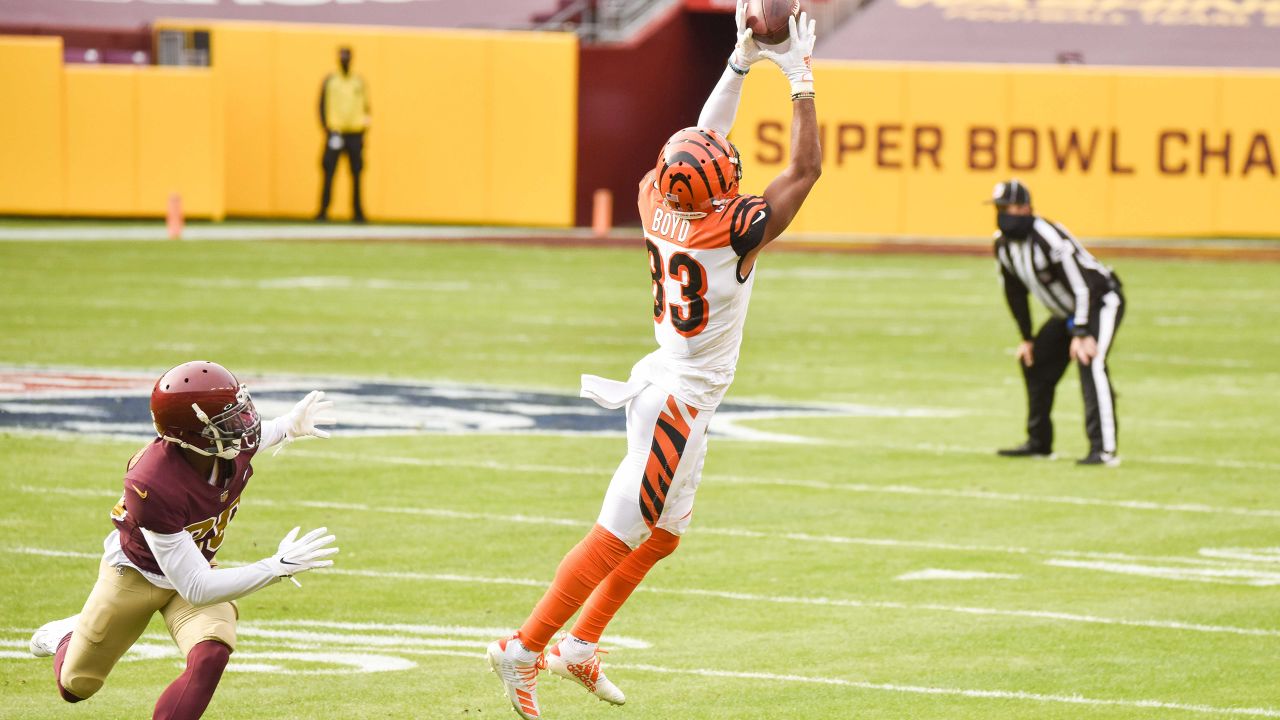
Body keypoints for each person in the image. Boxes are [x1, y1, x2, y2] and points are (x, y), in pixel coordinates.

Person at [486, 5, 822, 719]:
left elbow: (705, 138)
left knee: (664, 535)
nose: (733, 172)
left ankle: (579, 645)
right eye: (727, 173)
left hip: (671, 383)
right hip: (675, 399)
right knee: (618, 534)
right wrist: (795, 72)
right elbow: (807, 166)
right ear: (718, 191)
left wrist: (738, 62)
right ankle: (521, 649)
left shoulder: (655, 198)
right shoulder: (730, 231)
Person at [28, 361, 339, 719]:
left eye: (239, 412)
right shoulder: (153, 482)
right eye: (228, 422)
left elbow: (263, 433)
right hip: (136, 576)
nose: (243, 426)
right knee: (77, 687)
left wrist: (289, 425)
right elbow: (196, 587)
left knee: (211, 654)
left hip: (196, 564)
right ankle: (66, 636)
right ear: (190, 435)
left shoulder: (227, 445)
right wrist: (274, 567)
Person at [991, 180, 1126, 466]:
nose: (1004, 214)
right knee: (1035, 361)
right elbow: (1014, 292)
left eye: (1010, 207)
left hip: (1100, 301)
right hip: (1068, 312)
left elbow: (1083, 285)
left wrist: (1081, 331)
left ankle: (1103, 449)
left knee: (1090, 360)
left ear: (1026, 207)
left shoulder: (1047, 236)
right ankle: (1039, 442)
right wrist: (1026, 337)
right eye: (1000, 208)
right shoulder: (1003, 245)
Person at [316, 46, 370, 223]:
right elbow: (321, 106)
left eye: (347, 56)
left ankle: (358, 213)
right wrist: (328, 129)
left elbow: (366, 107)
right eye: (342, 56)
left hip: (354, 133)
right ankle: (323, 211)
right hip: (336, 132)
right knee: (329, 172)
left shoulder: (358, 81)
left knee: (356, 174)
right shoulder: (331, 81)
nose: (344, 59)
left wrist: (363, 132)